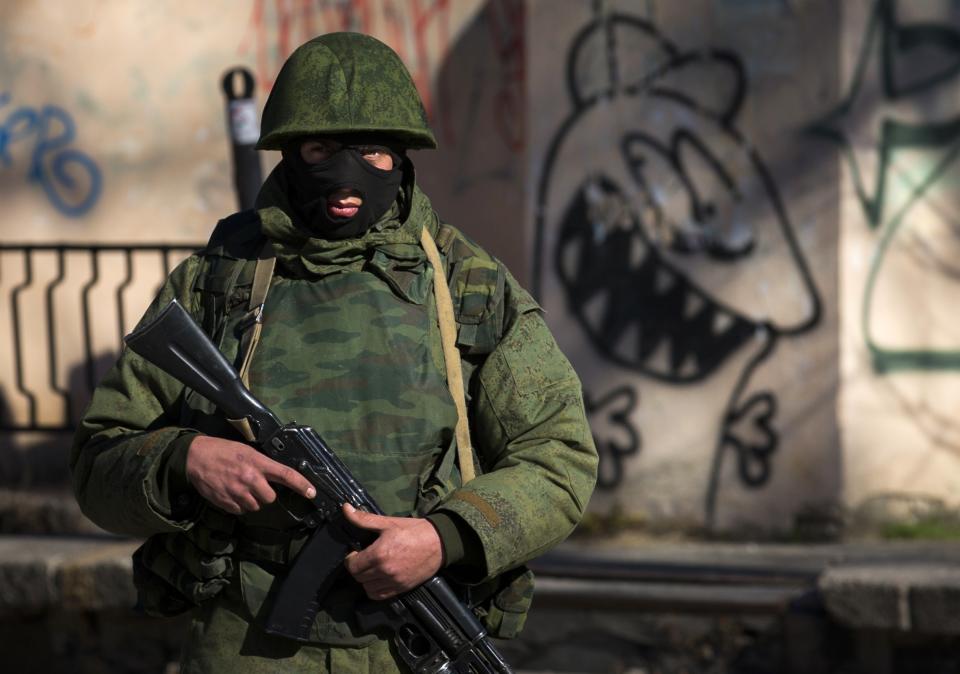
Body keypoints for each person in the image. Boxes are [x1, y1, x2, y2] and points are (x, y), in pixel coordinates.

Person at [70, 32, 597, 673]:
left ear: (403, 158)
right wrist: (185, 458)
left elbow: (558, 461)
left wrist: (443, 537)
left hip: (407, 635)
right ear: (290, 155)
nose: (346, 176)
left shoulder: (469, 288)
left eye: (372, 151)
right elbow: (99, 465)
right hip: (248, 643)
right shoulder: (220, 282)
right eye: (321, 149)